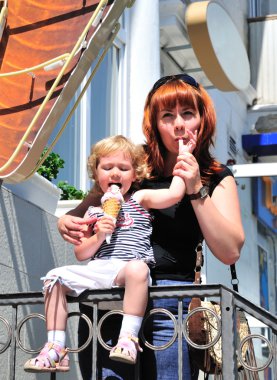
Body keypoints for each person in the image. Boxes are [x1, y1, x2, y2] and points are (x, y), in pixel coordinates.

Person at [58, 74, 245, 379]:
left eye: (188, 113)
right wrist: (67, 222)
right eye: (167, 116)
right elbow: (84, 213)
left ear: (203, 119)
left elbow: (230, 251)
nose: (179, 124)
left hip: (170, 304)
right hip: (111, 293)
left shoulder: (215, 175)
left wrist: (196, 187)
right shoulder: (132, 166)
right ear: (155, 123)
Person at [23, 134, 196, 373]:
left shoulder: (139, 199)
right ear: (96, 174)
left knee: (139, 268)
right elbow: (81, 253)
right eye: (107, 167)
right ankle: (55, 348)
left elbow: (175, 194)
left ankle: (128, 339)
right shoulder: (92, 211)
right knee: (54, 277)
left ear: (135, 175)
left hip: (126, 272)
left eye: (123, 168)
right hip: (99, 271)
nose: (115, 173)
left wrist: (184, 154)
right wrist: (98, 235)